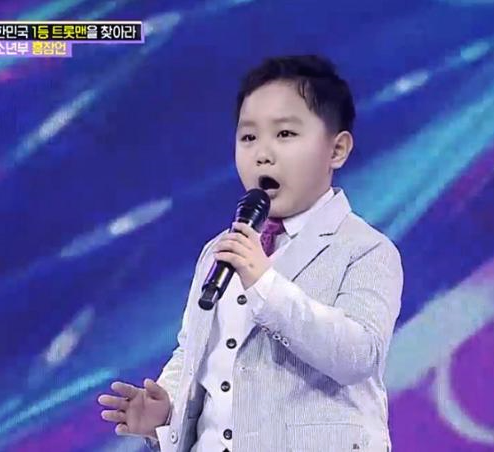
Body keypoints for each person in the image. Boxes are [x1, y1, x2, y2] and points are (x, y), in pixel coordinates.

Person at [97, 54, 403, 452]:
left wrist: (265, 284)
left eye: (285, 134)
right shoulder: (219, 250)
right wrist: (166, 409)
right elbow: (196, 349)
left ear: (337, 149)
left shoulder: (366, 249)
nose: (262, 153)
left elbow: (358, 356)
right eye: (248, 137)